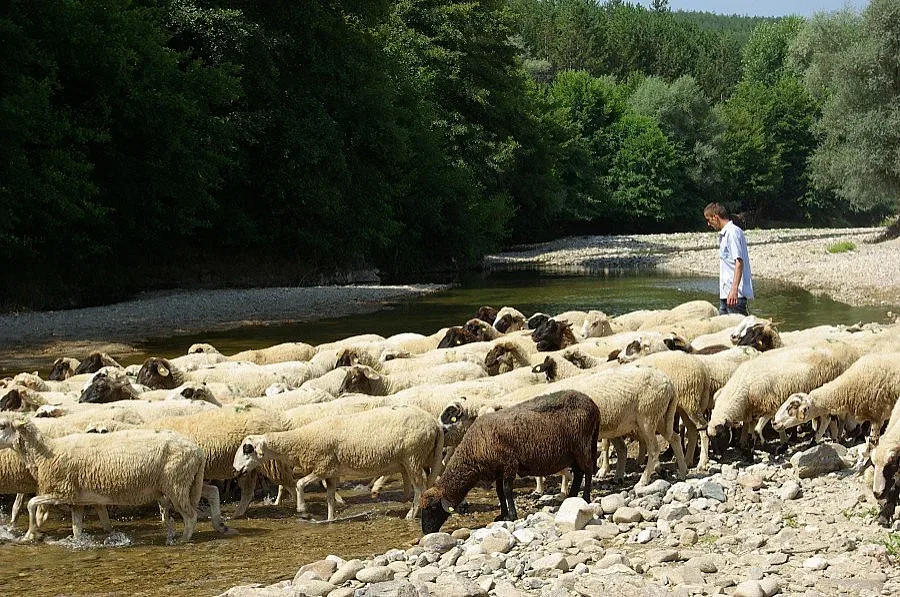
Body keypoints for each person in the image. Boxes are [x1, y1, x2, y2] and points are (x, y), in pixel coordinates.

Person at [704, 202, 753, 315]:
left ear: (715, 217)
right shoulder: (725, 234)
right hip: (726, 294)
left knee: (739, 329)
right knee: (724, 330)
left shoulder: (733, 233)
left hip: (735, 295)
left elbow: (739, 262)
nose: (708, 224)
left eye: (708, 219)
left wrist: (734, 289)